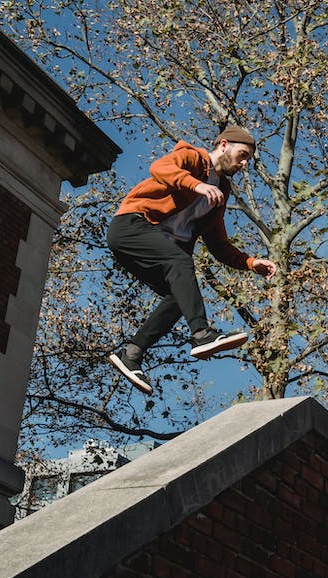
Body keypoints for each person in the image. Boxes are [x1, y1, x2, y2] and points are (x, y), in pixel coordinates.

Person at [106, 124, 277, 395]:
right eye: (242, 154)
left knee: (179, 296)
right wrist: (196, 184)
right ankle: (201, 334)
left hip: (158, 248)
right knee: (181, 262)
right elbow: (160, 169)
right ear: (224, 145)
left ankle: (132, 353)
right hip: (131, 227)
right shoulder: (192, 158)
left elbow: (217, 243)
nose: (244, 163)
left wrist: (250, 262)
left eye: (248, 160)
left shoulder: (222, 190)